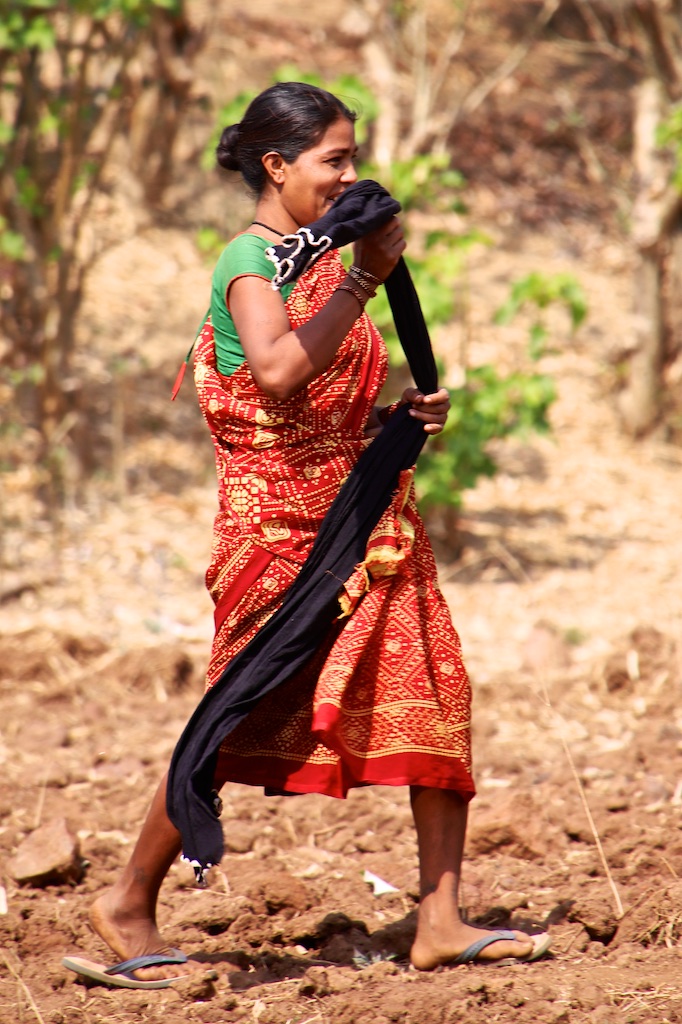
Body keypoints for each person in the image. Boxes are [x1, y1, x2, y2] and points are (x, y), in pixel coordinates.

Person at [77, 81, 550, 985]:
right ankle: (129, 898)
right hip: (278, 532)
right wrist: (367, 275)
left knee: (435, 688)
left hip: (365, 519)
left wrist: (394, 422)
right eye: (334, 159)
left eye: (353, 157)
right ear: (276, 165)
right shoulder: (251, 263)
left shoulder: (327, 262)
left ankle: (440, 918)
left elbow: (322, 410)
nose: (350, 175)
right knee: (240, 706)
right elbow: (277, 373)